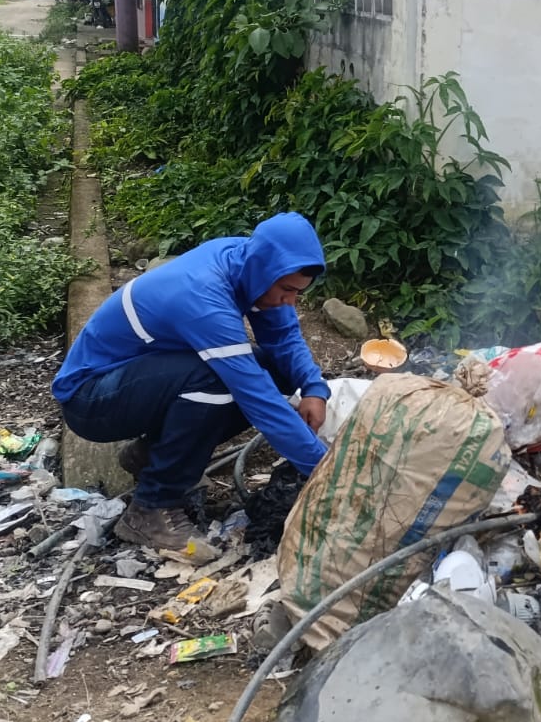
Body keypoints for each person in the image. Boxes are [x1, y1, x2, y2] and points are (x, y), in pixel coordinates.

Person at [52, 212, 334, 560]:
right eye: (287, 290)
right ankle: (151, 507)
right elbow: (257, 399)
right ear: (264, 271)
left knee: (275, 370)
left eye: (298, 293)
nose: (290, 302)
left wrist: (314, 387)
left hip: (139, 380)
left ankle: (153, 456)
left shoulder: (249, 262)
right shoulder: (204, 295)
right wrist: (327, 469)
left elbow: (283, 337)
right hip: (91, 398)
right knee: (216, 380)